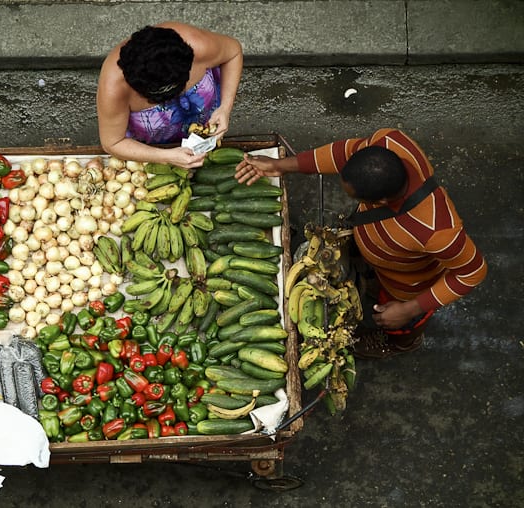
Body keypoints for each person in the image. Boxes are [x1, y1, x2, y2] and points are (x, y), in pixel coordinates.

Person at [234, 128, 488, 359]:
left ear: (382, 201)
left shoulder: (438, 231)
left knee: (399, 324)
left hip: (407, 283)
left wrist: (409, 309)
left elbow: (472, 272)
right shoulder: (389, 141)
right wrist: (282, 166)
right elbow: (343, 154)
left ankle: (400, 343)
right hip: (377, 246)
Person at [96, 22, 243, 168]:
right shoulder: (113, 86)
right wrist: (166, 156)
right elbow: (113, 143)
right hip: (151, 147)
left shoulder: (198, 44)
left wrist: (225, 107)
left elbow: (233, 53)